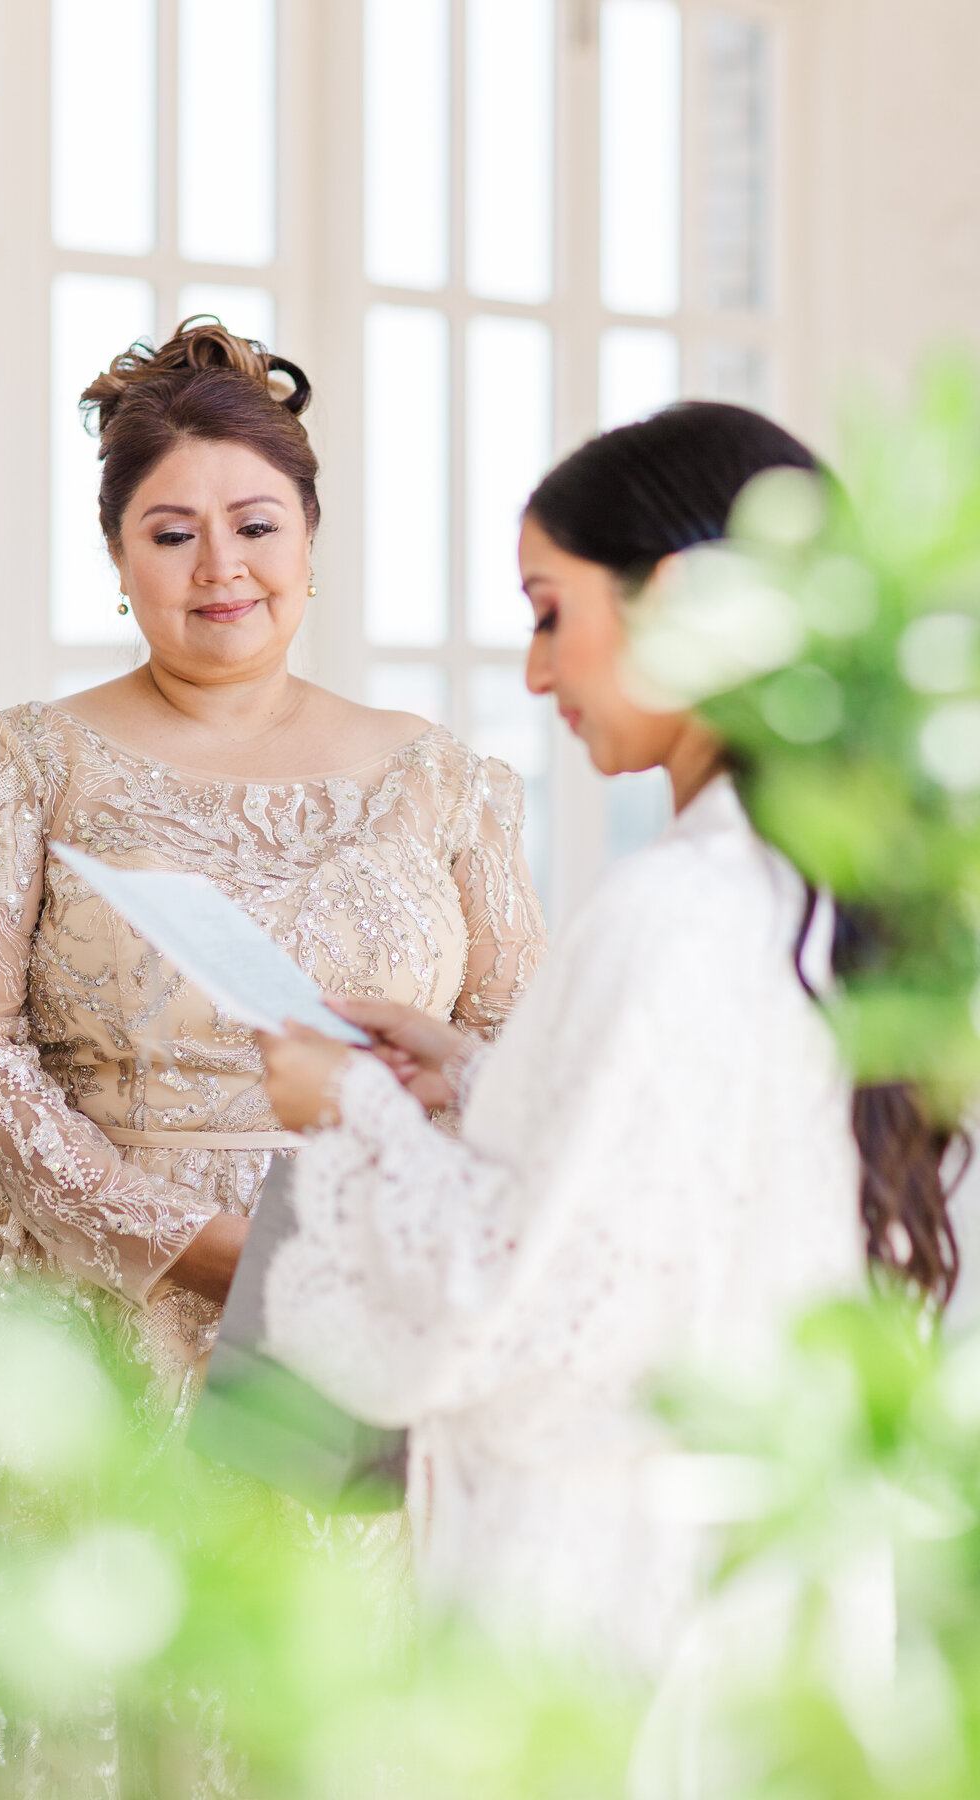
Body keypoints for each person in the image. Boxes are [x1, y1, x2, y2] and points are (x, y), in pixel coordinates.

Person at [0, 318, 546, 1797]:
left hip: (344, 1305)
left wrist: (400, 1128)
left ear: (311, 537)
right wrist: (185, 1242)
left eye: (255, 524)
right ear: (116, 554)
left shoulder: (445, 779)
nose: (219, 567)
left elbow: (519, 1040)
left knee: (317, 1717)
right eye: (170, 532)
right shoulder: (21, 762)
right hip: (79, 1315)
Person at [257, 401, 961, 1674]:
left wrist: (345, 1114)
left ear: (679, 599)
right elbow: (681, 1182)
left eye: (548, 611)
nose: (534, 674)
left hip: (611, 1594)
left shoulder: (674, 907)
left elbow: (515, 1312)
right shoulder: (812, 893)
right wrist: (475, 1076)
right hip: (766, 1577)